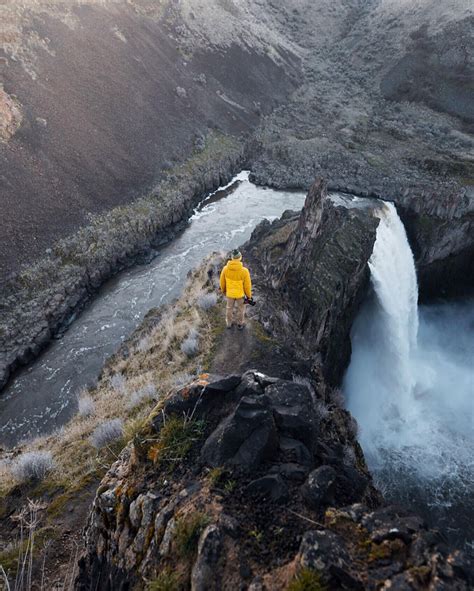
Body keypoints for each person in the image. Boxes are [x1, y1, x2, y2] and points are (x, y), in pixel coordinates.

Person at [220, 249, 252, 330]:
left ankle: (229, 324)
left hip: (229, 294)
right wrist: (249, 296)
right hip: (240, 295)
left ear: (232, 258)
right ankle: (240, 324)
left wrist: (223, 291)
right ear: (240, 258)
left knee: (229, 308)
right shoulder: (245, 271)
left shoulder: (225, 269)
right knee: (241, 309)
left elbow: (222, 282)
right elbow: (247, 286)